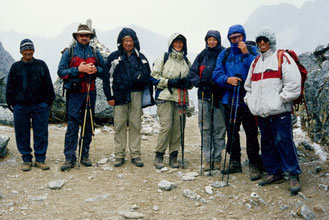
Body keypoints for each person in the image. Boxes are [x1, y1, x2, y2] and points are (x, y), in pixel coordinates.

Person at [244, 27, 302, 194]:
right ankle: (273, 172)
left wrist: (281, 99)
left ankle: (293, 173)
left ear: (271, 41)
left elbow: (293, 83)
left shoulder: (282, 58)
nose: (262, 43)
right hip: (263, 112)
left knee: (284, 140)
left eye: (265, 40)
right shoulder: (256, 62)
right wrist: (250, 101)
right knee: (267, 142)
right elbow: (248, 86)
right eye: (259, 40)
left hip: (280, 111)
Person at [212, 24, 263, 181]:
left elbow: (258, 68)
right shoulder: (225, 54)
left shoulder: (253, 51)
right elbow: (217, 73)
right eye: (232, 38)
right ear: (229, 39)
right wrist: (227, 79)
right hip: (230, 99)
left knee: (251, 132)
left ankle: (254, 163)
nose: (235, 40)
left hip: (248, 99)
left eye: (238, 37)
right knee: (232, 131)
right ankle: (235, 162)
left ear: (243, 37)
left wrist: (246, 53)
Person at [58, 24, 104, 171]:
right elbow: (61, 72)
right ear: (77, 37)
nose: (84, 37)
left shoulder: (95, 52)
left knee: (88, 123)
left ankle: (84, 154)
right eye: (81, 35)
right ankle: (70, 157)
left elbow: (105, 70)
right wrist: (78, 69)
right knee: (72, 124)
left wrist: (96, 69)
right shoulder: (69, 52)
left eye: (87, 35)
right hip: (75, 92)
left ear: (90, 37)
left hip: (90, 91)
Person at [103, 28, 151, 168]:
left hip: (136, 95)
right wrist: (110, 96)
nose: (128, 43)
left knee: (136, 124)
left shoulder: (141, 58)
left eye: (130, 40)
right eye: (126, 41)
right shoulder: (114, 58)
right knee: (119, 125)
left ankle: (135, 155)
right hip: (119, 95)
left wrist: (147, 97)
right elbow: (107, 78)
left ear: (134, 41)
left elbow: (147, 77)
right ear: (121, 42)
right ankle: (119, 155)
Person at [6, 39, 55, 171]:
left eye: (30, 49)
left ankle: (40, 159)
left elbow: (48, 85)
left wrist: (48, 103)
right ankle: (26, 159)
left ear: (33, 50)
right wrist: (12, 103)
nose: (28, 52)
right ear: (21, 51)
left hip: (40, 105)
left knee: (41, 133)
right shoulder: (16, 67)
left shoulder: (41, 65)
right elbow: (10, 86)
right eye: (25, 49)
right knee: (22, 133)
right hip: (21, 106)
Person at [152, 33, 192, 169]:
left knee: (178, 128)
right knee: (166, 126)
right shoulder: (163, 58)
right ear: (171, 44)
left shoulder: (186, 61)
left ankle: (174, 156)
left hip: (181, 98)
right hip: (165, 97)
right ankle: (159, 154)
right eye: (176, 42)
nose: (179, 45)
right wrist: (170, 82)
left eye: (181, 43)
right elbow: (153, 78)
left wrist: (187, 83)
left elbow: (191, 80)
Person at [188, 30, 226, 171]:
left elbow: (227, 72)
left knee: (219, 128)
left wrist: (219, 82)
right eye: (209, 39)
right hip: (203, 96)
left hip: (219, 96)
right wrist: (199, 82)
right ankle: (208, 159)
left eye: (214, 39)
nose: (211, 42)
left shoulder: (224, 54)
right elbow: (192, 73)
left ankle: (217, 159)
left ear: (218, 40)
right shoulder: (202, 55)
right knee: (205, 128)